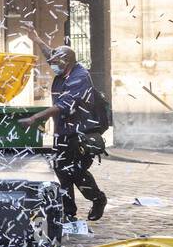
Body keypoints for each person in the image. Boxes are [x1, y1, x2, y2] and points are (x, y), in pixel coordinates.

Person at [19, 40, 108, 222]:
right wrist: (34, 36)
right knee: (61, 172)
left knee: (77, 172)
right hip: (63, 133)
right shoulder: (63, 69)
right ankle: (68, 213)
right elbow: (50, 53)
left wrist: (34, 118)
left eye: (55, 63)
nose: (52, 66)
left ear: (66, 61)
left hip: (81, 134)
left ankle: (98, 199)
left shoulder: (79, 77)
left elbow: (62, 106)